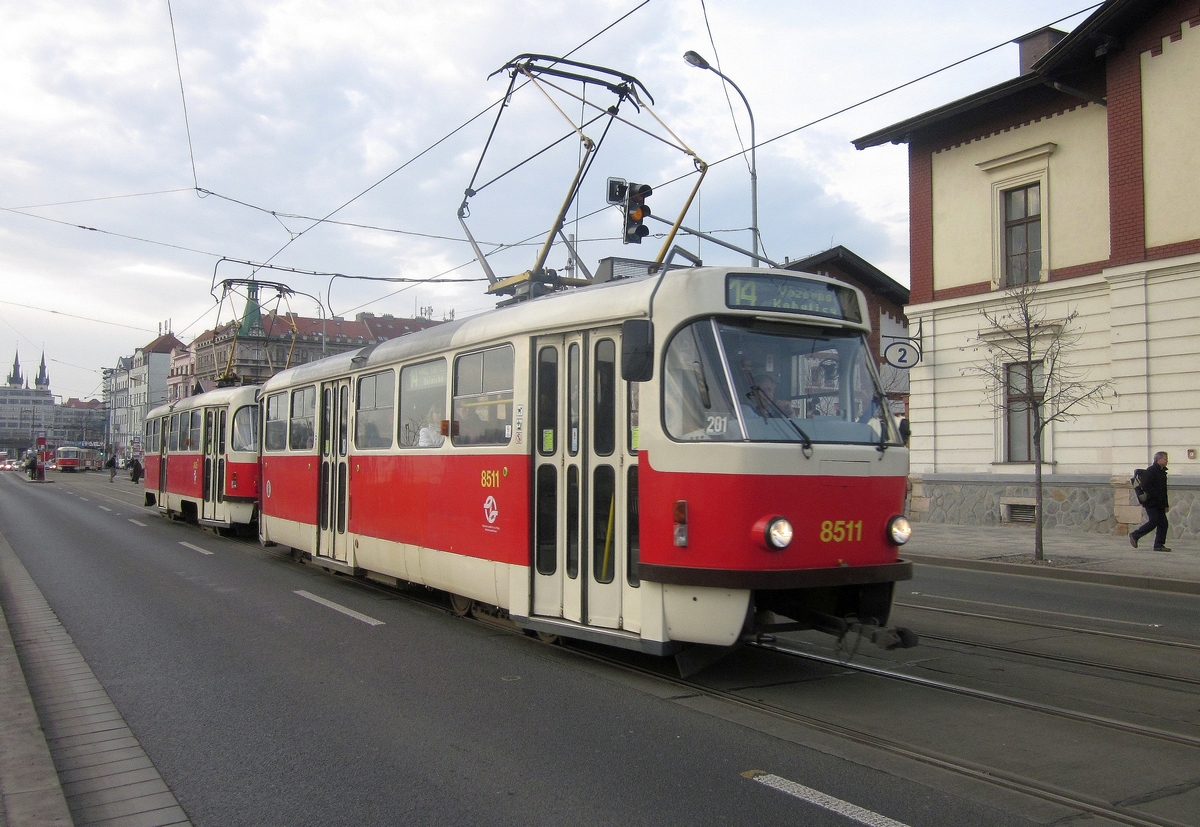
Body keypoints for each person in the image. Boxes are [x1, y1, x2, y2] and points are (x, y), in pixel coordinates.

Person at [1130, 451, 1170, 552]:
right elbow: (1146, 486)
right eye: (1165, 459)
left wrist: (1166, 504)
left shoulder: (1162, 472)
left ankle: (1159, 545)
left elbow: (1163, 490)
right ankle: (1135, 535)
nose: (1167, 461)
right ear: (1158, 459)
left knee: (1163, 523)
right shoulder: (1151, 471)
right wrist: (1154, 496)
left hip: (1160, 502)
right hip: (1151, 502)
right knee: (1154, 521)